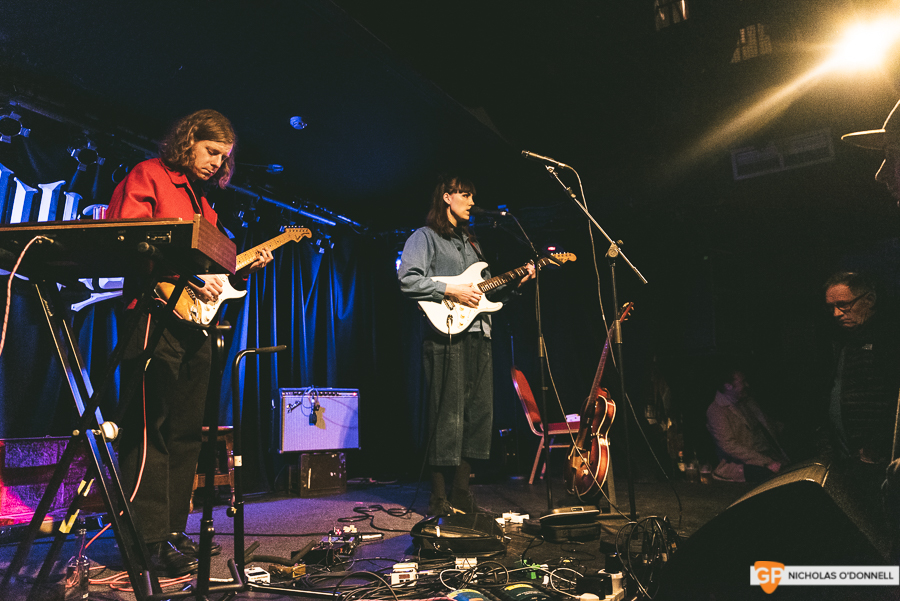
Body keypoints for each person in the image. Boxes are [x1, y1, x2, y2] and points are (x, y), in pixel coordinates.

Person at [106, 109, 272, 576]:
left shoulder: (207, 207)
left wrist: (231, 269)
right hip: (153, 317)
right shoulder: (150, 177)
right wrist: (181, 277)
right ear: (189, 141)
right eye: (212, 151)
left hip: (195, 328)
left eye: (225, 158)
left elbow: (211, 271)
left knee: (184, 433)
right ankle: (146, 539)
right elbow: (129, 242)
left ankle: (173, 532)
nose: (218, 163)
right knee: (148, 428)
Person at [397, 175, 534, 516]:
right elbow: (408, 279)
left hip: (480, 336)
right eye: (466, 195)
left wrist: (516, 282)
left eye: (473, 196)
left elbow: (484, 294)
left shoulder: (472, 244)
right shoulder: (424, 237)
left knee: (478, 416)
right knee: (448, 415)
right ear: (447, 197)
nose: (472, 203)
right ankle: (439, 497)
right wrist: (449, 290)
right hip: (446, 336)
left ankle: (461, 494)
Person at [706, 367, 789, 483]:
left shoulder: (747, 402)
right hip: (743, 464)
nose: (747, 385)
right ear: (728, 386)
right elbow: (729, 445)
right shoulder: (717, 410)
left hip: (769, 455)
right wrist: (766, 461)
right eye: (742, 382)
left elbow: (768, 426)